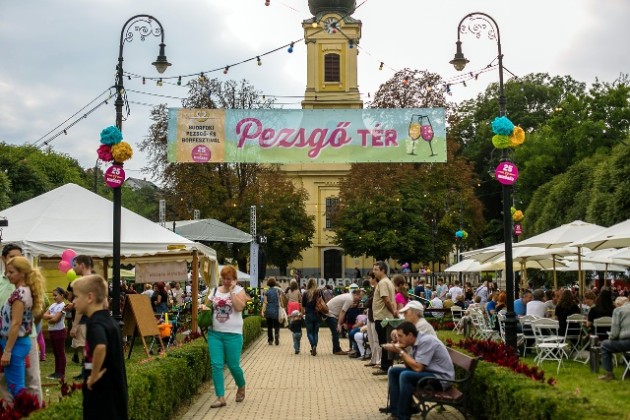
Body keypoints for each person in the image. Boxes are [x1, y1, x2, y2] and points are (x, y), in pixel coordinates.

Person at [71, 274, 128, 419]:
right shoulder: (110, 321)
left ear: (90, 297)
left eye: (76, 296)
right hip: (115, 393)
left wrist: (93, 375)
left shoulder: (95, 323)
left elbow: (100, 346)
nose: (73, 301)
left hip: (102, 396)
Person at [383, 321, 455, 420]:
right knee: (394, 371)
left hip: (441, 379)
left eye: (400, 336)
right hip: (430, 374)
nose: (398, 339)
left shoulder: (426, 341)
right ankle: (395, 413)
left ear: (410, 335)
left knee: (406, 376)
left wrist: (400, 351)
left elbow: (418, 368)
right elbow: (411, 366)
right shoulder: (415, 342)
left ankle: (403, 417)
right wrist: (402, 351)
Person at [0, 244, 43, 405]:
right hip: (6, 338)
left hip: (23, 337)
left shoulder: (22, 290)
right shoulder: (4, 283)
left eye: (19, 256)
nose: (15, 260)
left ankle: (35, 413)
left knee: (31, 380)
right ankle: (13, 413)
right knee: (5, 382)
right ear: (3, 258)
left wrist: (30, 330)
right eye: (12, 257)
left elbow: (34, 313)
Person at [199, 265, 246, 408]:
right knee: (216, 365)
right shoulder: (214, 291)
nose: (225, 281)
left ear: (234, 279)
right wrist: (204, 308)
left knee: (233, 365)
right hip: (215, 334)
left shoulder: (239, 291)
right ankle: (220, 397)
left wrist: (231, 291)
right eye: (224, 278)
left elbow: (239, 307)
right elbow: (207, 306)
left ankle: (241, 385)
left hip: (234, 334)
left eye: (229, 279)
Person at [69, 255, 94, 377]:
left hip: (85, 320)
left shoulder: (83, 282)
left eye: (75, 265)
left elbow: (80, 309)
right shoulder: (96, 280)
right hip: (95, 319)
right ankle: (89, 371)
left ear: (82, 265)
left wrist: (74, 327)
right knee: (89, 347)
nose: (73, 268)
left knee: (85, 347)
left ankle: (87, 372)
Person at [372, 261, 397, 376]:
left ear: (383, 270)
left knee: (384, 342)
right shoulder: (388, 282)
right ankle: (387, 366)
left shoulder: (382, 283)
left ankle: (385, 367)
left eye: (376, 269)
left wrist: (393, 312)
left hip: (382, 317)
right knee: (386, 342)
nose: (374, 272)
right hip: (385, 316)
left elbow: (386, 300)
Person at [598, 298, 630, 380]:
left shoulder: (618, 310)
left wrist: (610, 338)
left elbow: (614, 333)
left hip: (627, 342)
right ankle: (628, 371)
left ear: (618, 304)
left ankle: (609, 374)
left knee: (605, 344)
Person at [325, 289, 361, 355]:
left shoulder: (348, 296)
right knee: (336, 332)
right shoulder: (349, 299)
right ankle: (337, 350)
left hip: (330, 313)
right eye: (359, 297)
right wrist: (339, 324)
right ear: (355, 294)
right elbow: (343, 311)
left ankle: (336, 349)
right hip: (330, 314)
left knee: (335, 332)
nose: (360, 299)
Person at [43, 287, 67, 379]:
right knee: (55, 353)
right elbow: (44, 315)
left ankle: (61, 373)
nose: (54, 297)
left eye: (56, 295)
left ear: (62, 295)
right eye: (53, 295)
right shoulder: (53, 305)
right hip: (52, 331)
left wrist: (50, 317)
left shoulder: (63, 306)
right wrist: (53, 316)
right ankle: (56, 372)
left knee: (60, 353)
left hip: (59, 331)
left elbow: (55, 320)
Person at [301, 278, 321, 356]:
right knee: (315, 332)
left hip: (308, 314)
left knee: (309, 332)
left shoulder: (305, 293)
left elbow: (303, 305)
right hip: (317, 314)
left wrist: (302, 314)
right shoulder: (318, 292)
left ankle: (313, 346)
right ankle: (314, 346)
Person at [263, 277, 283, 345]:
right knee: (277, 324)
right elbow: (280, 300)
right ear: (274, 283)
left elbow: (265, 302)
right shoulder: (277, 291)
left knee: (269, 326)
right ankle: (276, 335)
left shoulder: (267, 292)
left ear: (268, 283)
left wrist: (263, 310)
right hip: (276, 310)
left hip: (269, 310)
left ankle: (270, 340)